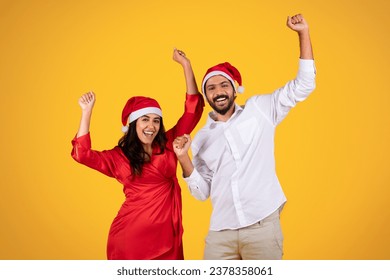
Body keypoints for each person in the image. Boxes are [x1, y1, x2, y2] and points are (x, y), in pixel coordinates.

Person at [173, 14, 316, 259]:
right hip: (221, 234)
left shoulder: (259, 109)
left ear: (235, 89)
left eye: (223, 85)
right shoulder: (201, 138)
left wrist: (303, 33)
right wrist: (183, 157)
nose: (218, 92)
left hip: (262, 227)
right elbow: (201, 192)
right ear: (206, 96)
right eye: (211, 88)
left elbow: (304, 85)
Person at [71, 49, 204, 260]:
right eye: (145, 119)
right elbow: (82, 154)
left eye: (156, 120)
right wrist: (86, 112)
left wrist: (186, 65)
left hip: (167, 235)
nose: (151, 125)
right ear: (133, 124)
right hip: (130, 238)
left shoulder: (169, 142)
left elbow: (193, 110)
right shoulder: (118, 157)